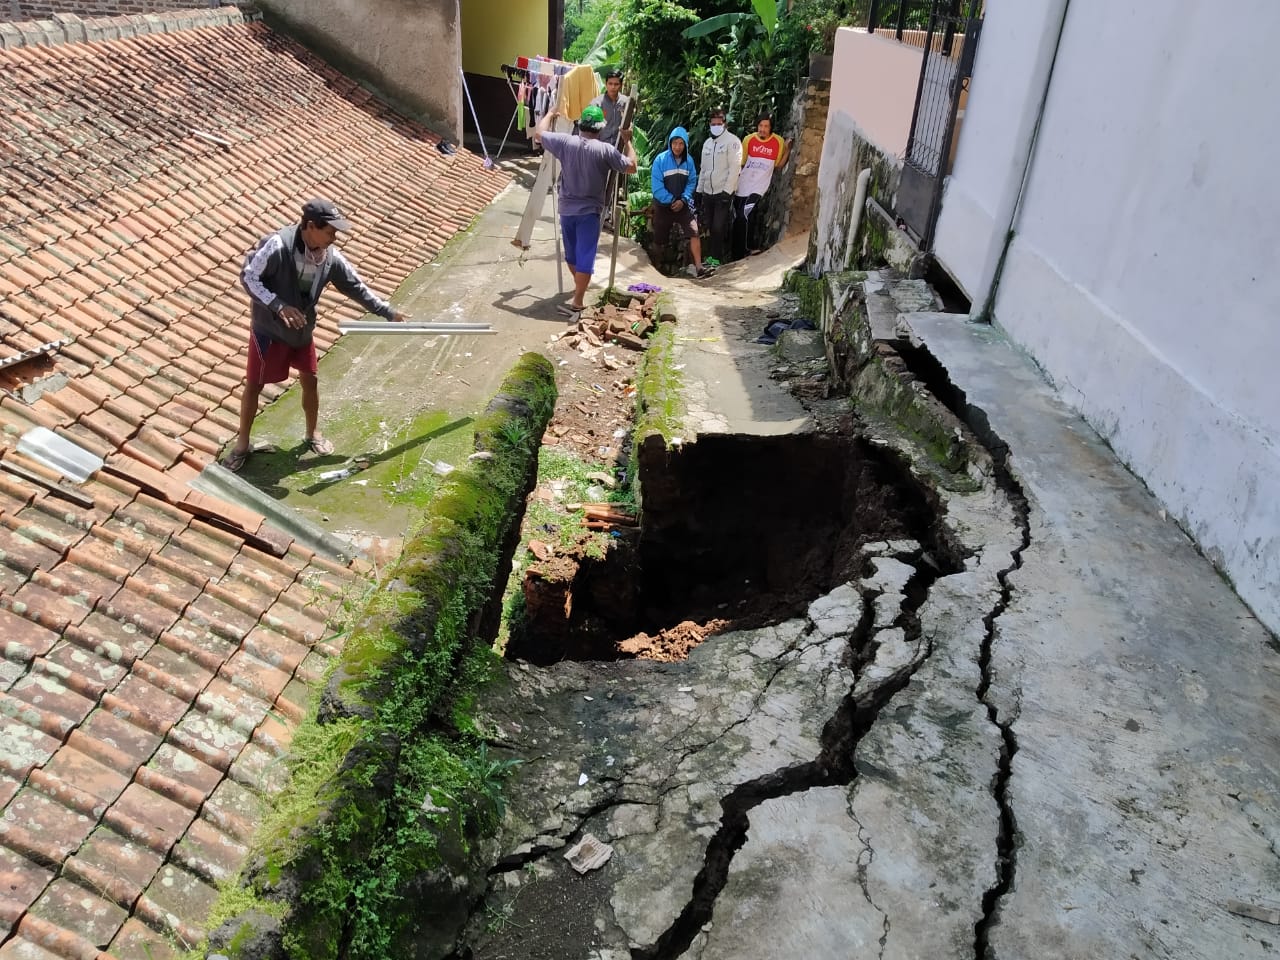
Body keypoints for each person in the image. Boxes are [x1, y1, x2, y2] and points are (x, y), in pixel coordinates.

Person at [222, 197, 406, 472]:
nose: (334, 238)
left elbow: (356, 286)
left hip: (302, 330)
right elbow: (249, 277)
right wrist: (278, 305)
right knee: (255, 384)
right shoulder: (277, 246)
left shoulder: (330, 257)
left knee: (310, 379)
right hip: (268, 330)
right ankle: (243, 444)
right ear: (310, 226)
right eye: (330, 231)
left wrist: (387, 312)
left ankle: (312, 434)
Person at [535, 104, 638, 316]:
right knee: (585, 257)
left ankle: (579, 289)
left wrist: (550, 113)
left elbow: (539, 134)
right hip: (589, 213)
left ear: (580, 125)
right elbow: (632, 166)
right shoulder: (605, 150)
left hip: (567, 210)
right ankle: (578, 299)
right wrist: (628, 141)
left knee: (572, 256)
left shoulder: (565, 142)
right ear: (600, 129)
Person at [651, 126, 711, 278]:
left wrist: (683, 200)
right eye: (675, 143)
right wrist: (671, 200)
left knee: (694, 231)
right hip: (664, 206)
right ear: (670, 143)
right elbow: (656, 187)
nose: (677, 147)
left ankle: (699, 267)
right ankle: (655, 269)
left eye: (681, 144)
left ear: (685, 145)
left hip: (683, 205)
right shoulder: (660, 160)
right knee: (659, 237)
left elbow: (692, 182)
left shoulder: (689, 161)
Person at [732, 114, 793, 260]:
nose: (763, 129)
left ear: (771, 128)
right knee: (739, 218)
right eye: (761, 126)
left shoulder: (777, 141)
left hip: (759, 187)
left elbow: (778, 165)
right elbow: (742, 162)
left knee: (744, 214)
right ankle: (736, 252)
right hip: (742, 185)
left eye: (766, 126)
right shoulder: (749, 139)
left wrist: (788, 151)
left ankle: (747, 249)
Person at [696, 107, 742, 266]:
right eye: (713, 123)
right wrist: (699, 191)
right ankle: (711, 256)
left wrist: (728, 191)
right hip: (708, 191)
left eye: (719, 123)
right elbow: (704, 169)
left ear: (725, 124)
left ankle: (717, 258)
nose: (716, 126)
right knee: (709, 225)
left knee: (718, 226)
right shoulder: (707, 143)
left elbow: (735, 168)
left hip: (723, 192)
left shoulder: (733, 142)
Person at [589, 68, 630, 147]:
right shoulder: (597, 103)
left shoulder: (625, 102)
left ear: (621, 85)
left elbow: (629, 124)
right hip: (600, 148)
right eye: (610, 83)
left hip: (618, 148)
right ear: (606, 84)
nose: (613, 87)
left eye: (616, 84)